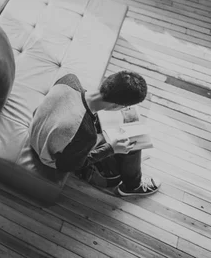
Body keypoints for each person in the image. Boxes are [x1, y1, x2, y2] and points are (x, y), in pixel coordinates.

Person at [30, 71, 161, 197]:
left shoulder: (69, 80)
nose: (125, 108)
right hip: (49, 156)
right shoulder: (86, 132)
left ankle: (131, 167)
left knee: (125, 123)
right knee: (132, 143)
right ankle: (132, 186)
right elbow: (67, 166)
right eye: (125, 106)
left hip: (38, 130)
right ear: (116, 106)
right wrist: (110, 149)